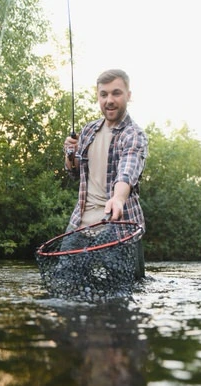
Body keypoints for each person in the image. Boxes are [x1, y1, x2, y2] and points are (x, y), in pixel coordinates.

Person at [63, 69, 148, 278]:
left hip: (120, 228)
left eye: (116, 93)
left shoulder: (134, 135)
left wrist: (118, 198)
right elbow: (74, 173)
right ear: (98, 96)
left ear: (128, 95)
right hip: (80, 225)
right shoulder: (89, 130)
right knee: (66, 286)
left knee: (126, 294)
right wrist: (69, 154)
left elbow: (127, 171)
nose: (109, 100)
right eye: (104, 94)